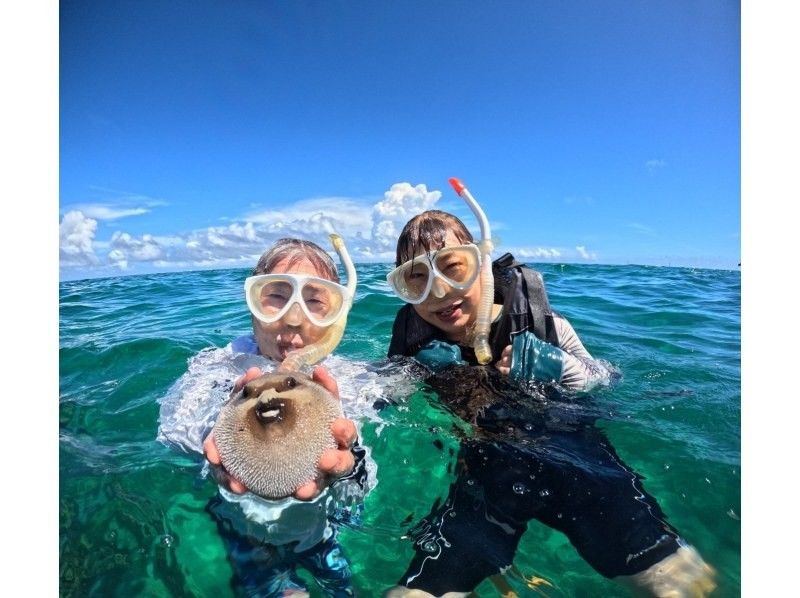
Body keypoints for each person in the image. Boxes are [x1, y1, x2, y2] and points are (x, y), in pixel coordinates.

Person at [382, 209, 716, 597]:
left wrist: (562, 368)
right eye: (417, 278)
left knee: (686, 585)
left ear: (481, 264)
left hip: (578, 463)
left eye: (452, 268)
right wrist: (411, 374)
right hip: (487, 477)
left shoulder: (547, 326)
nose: (438, 292)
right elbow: (380, 396)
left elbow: (607, 378)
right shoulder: (414, 344)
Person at [158, 237, 373, 598]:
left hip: (322, 528)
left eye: (316, 300)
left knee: (343, 587)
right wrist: (218, 423)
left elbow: (363, 477)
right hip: (245, 528)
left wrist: (350, 466)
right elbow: (171, 430)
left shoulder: (347, 378)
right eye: (276, 295)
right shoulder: (218, 366)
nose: (293, 318)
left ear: (339, 311)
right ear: (253, 305)